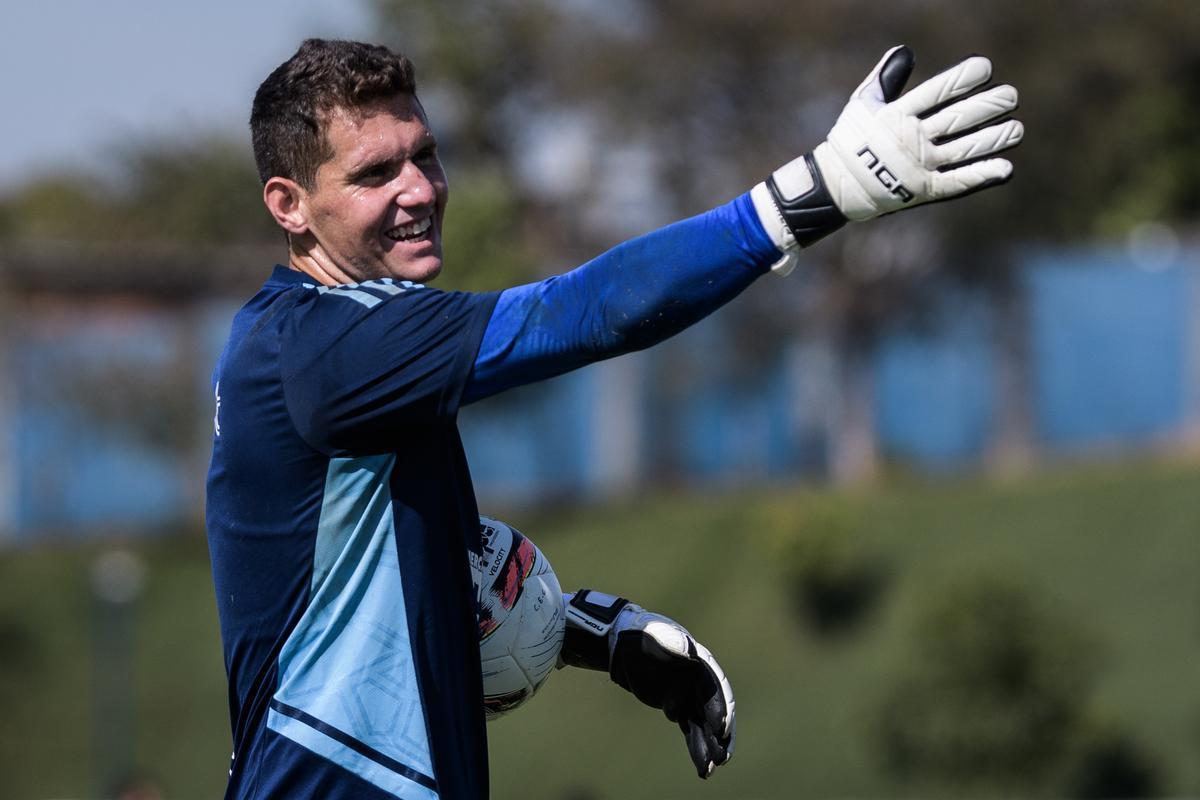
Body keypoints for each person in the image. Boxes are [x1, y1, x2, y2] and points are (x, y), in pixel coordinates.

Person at [206, 38, 1021, 799]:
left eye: (424, 154)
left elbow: (377, 600)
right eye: (375, 173)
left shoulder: (330, 346)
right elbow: (582, 311)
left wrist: (579, 633)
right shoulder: (326, 347)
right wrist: (813, 195)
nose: (418, 188)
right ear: (290, 204)